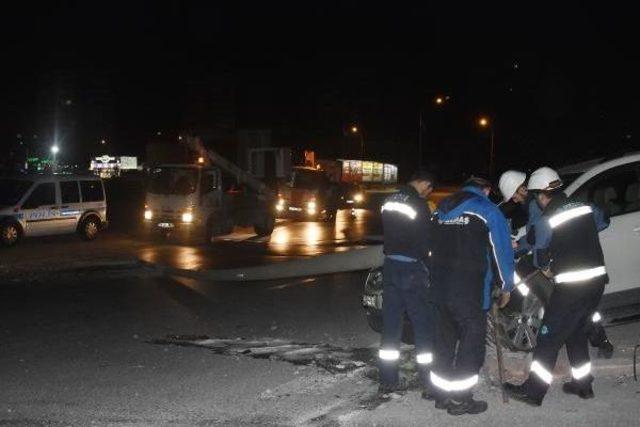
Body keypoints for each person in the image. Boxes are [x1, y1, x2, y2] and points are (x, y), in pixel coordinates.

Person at [504, 167, 609, 406]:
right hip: (597, 283)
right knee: (575, 332)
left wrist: (547, 260)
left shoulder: (546, 218)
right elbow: (604, 221)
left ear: (541, 195)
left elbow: (540, 259)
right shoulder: (584, 207)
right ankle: (583, 385)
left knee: (547, 338)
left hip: (572, 286)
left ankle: (533, 392)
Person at [429, 176, 514, 415]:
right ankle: (460, 400)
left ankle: (441, 395)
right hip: (469, 291)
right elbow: (501, 250)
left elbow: (429, 248)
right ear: (485, 190)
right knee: (471, 345)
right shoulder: (486, 209)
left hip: (439, 288)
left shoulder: (440, 210)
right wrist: (507, 285)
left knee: (443, 343)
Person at [377, 170, 436, 399]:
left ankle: (387, 380)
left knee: (391, 327)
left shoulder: (388, 200)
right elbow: (425, 242)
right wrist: (431, 267)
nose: (428, 193)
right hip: (412, 269)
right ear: (425, 183)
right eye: (429, 189)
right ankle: (428, 379)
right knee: (423, 326)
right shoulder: (419, 205)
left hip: (390, 267)